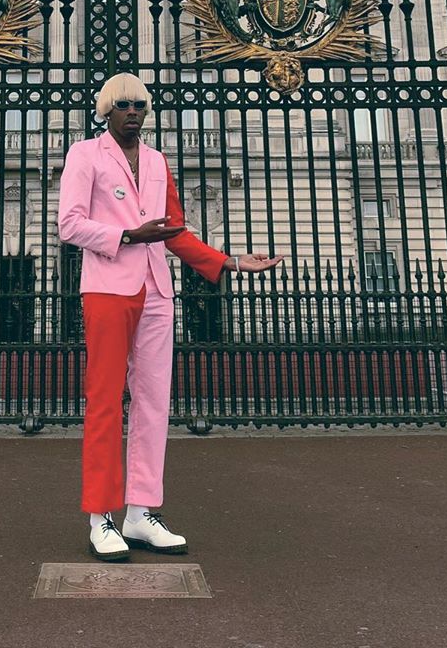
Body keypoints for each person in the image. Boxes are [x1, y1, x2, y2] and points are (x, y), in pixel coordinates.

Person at [58, 72, 283, 561]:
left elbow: (175, 231)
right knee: (103, 401)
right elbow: (70, 224)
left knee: (154, 402)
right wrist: (128, 236)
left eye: (139, 103)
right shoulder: (85, 155)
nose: (133, 110)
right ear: (106, 111)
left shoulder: (158, 161)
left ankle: (140, 513)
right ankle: (101, 517)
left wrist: (227, 261)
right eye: (123, 104)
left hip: (157, 291)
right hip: (109, 288)